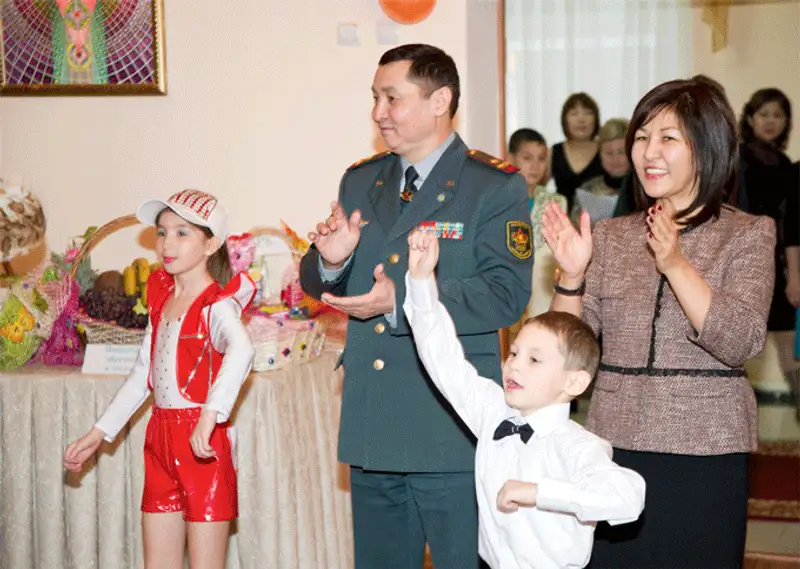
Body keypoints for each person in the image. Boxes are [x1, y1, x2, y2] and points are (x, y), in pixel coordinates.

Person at [299, 44, 533, 569]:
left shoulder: (492, 185)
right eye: (375, 98)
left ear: (440, 101)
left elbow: (506, 294)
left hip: (448, 424)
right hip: (374, 420)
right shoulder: (361, 179)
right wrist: (332, 261)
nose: (378, 112)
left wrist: (404, 299)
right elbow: (321, 279)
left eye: (392, 98)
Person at [542, 75, 776, 568]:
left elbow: (741, 339)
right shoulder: (610, 237)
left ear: (706, 148)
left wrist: (675, 263)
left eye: (668, 138)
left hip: (706, 452)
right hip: (612, 449)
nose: (649, 152)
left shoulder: (747, 234)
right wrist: (572, 276)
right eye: (642, 137)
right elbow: (562, 357)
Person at [404, 228, 645, 569]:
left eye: (534, 359)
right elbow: (442, 359)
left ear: (574, 382)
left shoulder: (577, 446)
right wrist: (420, 282)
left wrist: (539, 492)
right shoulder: (494, 411)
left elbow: (629, 498)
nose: (514, 365)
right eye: (514, 353)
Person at [63, 190, 256, 569]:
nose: (167, 243)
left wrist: (211, 413)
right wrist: (98, 433)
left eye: (182, 233)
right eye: (162, 232)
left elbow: (242, 349)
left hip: (202, 447)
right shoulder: (161, 299)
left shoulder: (216, 306)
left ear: (210, 244)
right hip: (160, 439)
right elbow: (142, 377)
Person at [737, 88, 800, 409]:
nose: (771, 121)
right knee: (740, 342)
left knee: (789, 341)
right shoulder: (737, 157)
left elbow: (790, 221)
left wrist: (793, 274)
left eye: (778, 115)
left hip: (778, 263)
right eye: (764, 114)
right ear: (750, 118)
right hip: (743, 260)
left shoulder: (787, 164)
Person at [506, 128, 567, 332]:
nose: (535, 166)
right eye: (527, 158)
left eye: (541, 159)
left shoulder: (556, 203)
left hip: (543, 300)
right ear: (511, 158)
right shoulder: (496, 201)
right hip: (506, 299)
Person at [549, 93, 605, 211]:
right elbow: (534, 186)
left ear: (596, 119)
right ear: (565, 120)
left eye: (588, 113)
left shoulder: (606, 150)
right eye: (574, 114)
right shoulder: (553, 152)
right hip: (562, 218)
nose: (581, 119)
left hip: (602, 220)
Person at [572, 118, 630, 227]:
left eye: (621, 152)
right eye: (609, 153)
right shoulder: (587, 190)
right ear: (600, 155)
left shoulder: (644, 190)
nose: (616, 159)